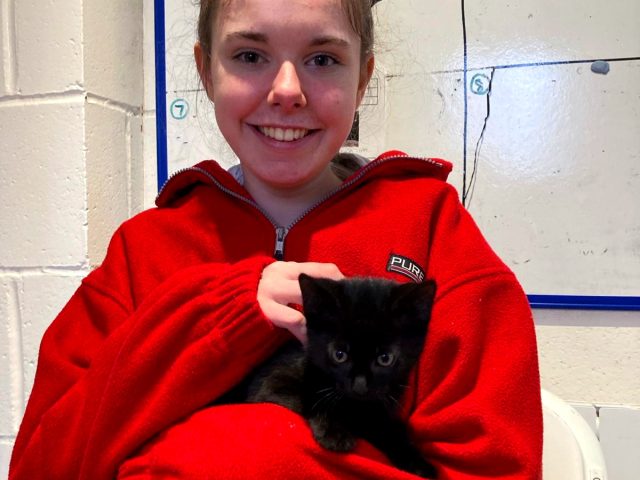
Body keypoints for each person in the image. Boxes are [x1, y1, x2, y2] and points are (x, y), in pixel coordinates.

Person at [9, 0, 542, 478]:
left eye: (323, 59)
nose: (286, 90)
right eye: (249, 56)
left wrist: (230, 457)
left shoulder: (434, 232)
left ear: (363, 80)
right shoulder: (142, 251)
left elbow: (496, 467)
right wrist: (218, 315)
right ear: (205, 70)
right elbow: (43, 464)